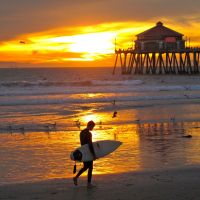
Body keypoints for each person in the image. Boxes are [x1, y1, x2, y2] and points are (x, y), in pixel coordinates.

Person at [73, 120, 96, 187]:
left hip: (83, 152)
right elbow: (90, 145)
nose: (93, 128)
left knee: (86, 167)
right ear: (90, 125)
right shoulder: (89, 134)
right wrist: (93, 154)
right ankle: (89, 184)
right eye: (92, 127)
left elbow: (83, 143)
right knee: (90, 167)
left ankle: (76, 177)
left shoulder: (81, 132)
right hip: (88, 152)